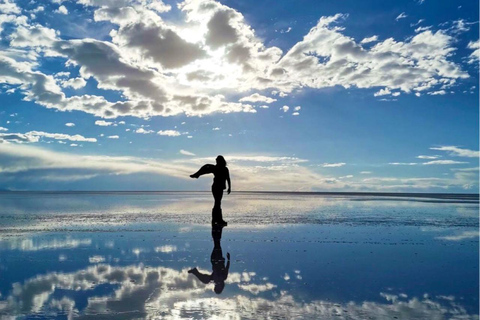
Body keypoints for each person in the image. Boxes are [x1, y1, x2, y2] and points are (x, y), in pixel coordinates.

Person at [188, 225, 230, 294]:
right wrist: (228, 259)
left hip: (213, 260)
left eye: (215, 287)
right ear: (220, 287)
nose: (216, 285)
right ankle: (218, 228)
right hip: (219, 258)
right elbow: (227, 268)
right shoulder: (223, 277)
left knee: (216, 242)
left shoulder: (214, 279)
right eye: (217, 287)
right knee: (217, 242)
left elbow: (208, 278)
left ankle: (218, 228)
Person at [190, 155, 231, 226]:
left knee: (217, 203)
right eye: (216, 161)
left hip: (219, 187)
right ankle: (217, 219)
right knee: (217, 202)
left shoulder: (224, 169)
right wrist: (198, 174)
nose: (217, 162)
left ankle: (216, 219)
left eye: (218, 161)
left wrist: (230, 187)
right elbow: (206, 169)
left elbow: (228, 178)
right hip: (215, 187)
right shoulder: (216, 168)